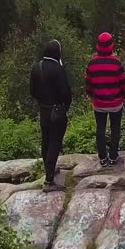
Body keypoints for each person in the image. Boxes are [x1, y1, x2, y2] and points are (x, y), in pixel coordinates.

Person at [30, 39, 72, 191]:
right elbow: (66, 92)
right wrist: (65, 107)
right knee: (55, 143)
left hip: (44, 110)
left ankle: (49, 170)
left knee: (46, 141)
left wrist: (43, 101)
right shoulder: (58, 69)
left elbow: (32, 91)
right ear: (57, 52)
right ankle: (49, 181)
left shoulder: (37, 67)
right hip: (57, 111)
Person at [85, 32, 125, 167]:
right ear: (111, 45)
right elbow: (122, 83)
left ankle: (102, 158)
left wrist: (91, 96)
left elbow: (88, 84)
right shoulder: (116, 62)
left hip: (99, 103)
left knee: (100, 128)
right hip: (115, 103)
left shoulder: (92, 63)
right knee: (115, 128)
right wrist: (123, 96)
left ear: (98, 45)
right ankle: (113, 157)